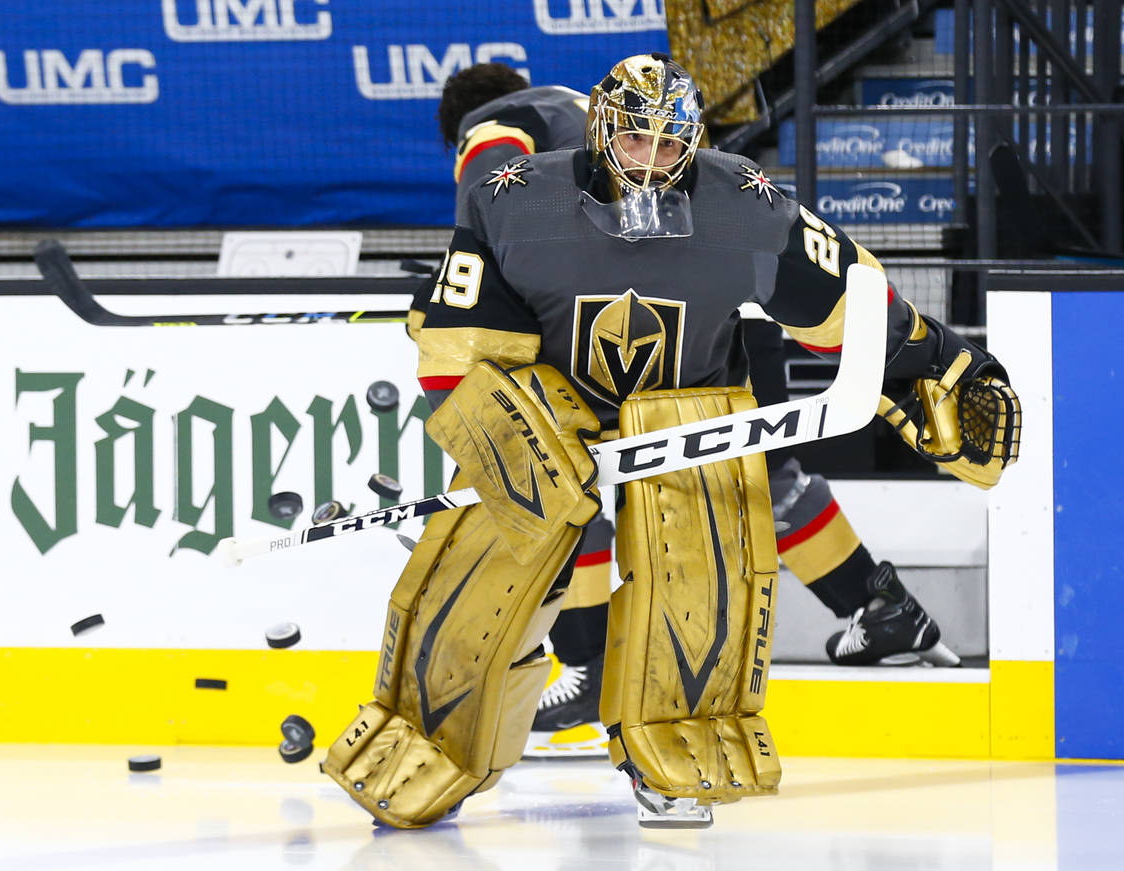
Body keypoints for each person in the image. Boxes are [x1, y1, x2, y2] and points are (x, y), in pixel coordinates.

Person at [325, 53, 1020, 829]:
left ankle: (669, 739)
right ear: (600, 133)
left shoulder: (745, 203)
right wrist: (500, 434)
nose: (653, 163)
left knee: (702, 553)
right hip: (552, 398)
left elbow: (852, 296)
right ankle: (433, 730)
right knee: (489, 546)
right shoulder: (513, 199)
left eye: (670, 143)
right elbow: (455, 338)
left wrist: (942, 365)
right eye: (635, 142)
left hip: (688, 403)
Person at [425, 63, 963, 762]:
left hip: (620, 326)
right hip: (724, 309)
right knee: (757, 473)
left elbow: (486, 233)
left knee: (566, 479)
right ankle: (879, 604)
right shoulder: (567, 101)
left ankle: (587, 663)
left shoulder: (490, 126)